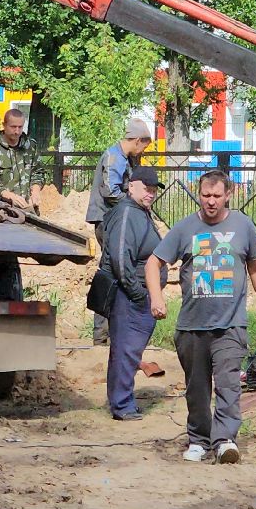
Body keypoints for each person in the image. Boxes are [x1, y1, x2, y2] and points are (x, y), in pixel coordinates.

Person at [147, 169, 256, 464]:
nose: (211, 202)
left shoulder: (243, 225)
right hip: (192, 325)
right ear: (198, 194)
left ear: (228, 195)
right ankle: (199, 440)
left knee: (228, 383)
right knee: (197, 387)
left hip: (231, 323)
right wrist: (157, 297)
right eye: (205, 195)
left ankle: (225, 439)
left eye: (217, 196)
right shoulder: (185, 228)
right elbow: (153, 263)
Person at [101, 165, 166, 420]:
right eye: (145, 188)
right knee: (126, 350)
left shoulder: (140, 212)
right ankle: (122, 405)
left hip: (137, 293)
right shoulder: (128, 213)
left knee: (129, 350)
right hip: (129, 296)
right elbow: (120, 257)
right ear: (131, 186)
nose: (150, 193)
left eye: (153, 189)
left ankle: (123, 401)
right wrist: (137, 293)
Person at [86, 118, 155, 343]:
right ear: (136, 140)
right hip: (109, 223)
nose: (144, 150)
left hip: (116, 223)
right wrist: (133, 205)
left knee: (115, 273)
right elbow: (111, 192)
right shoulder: (114, 158)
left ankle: (112, 333)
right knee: (112, 273)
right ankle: (102, 336)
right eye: (144, 145)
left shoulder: (125, 159)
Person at [0, 107, 40, 209]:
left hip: (29, 209)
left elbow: (38, 172)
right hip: (3, 210)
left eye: (20, 127)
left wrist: (36, 191)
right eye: (13, 127)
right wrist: (9, 196)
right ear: (4, 126)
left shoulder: (31, 146)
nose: (17, 131)